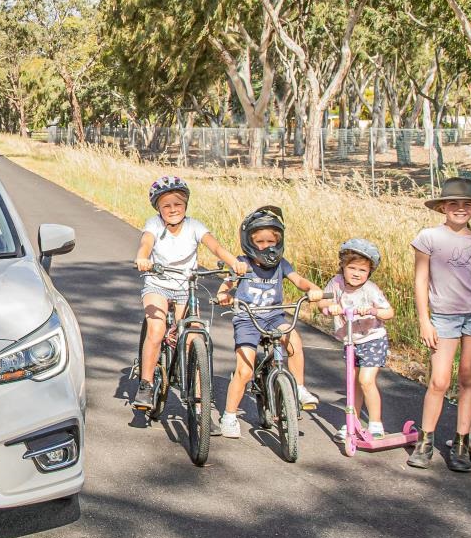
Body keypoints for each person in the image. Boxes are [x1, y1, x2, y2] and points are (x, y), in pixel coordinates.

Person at [409, 176, 471, 472]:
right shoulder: (429, 238)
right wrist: (425, 320)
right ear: (442, 207)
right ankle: (424, 441)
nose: (460, 209)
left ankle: (461, 443)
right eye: (453, 204)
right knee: (439, 380)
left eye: (466, 204)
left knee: (468, 378)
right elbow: (421, 279)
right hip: (444, 316)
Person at [131, 176, 244, 414]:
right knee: (157, 329)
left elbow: (215, 247)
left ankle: (203, 404)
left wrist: (234, 262)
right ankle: (146, 384)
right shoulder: (154, 225)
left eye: (178, 204)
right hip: (158, 284)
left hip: (186, 287)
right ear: (158, 209)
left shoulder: (195, 226)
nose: (173, 209)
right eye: (166, 205)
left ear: (186, 205)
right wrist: (143, 258)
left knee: (195, 337)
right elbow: (146, 243)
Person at [211, 206, 323, 437]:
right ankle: (229, 416)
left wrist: (313, 289)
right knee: (244, 370)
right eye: (260, 241)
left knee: (294, 342)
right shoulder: (244, 263)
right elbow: (228, 284)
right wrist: (224, 294)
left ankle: (299, 388)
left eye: (271, 241)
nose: (266, 246)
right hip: (247, 319)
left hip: (275, 316)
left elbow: (299, 281)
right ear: (249, 242)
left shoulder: (282, 265)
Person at [320, 238, 396, 437]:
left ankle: (376, 423)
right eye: (352, 268)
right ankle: (351, 421)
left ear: (369, 272)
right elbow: (322, 301)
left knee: (366, 380)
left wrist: (372, 310)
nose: (356, 274)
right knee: (353, 383)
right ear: (343, 267)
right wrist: (329, 308)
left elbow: (389, 312)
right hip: (351, 341)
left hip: (372, 339)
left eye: (362, 270)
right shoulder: (335, 284)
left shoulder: (370, 289)